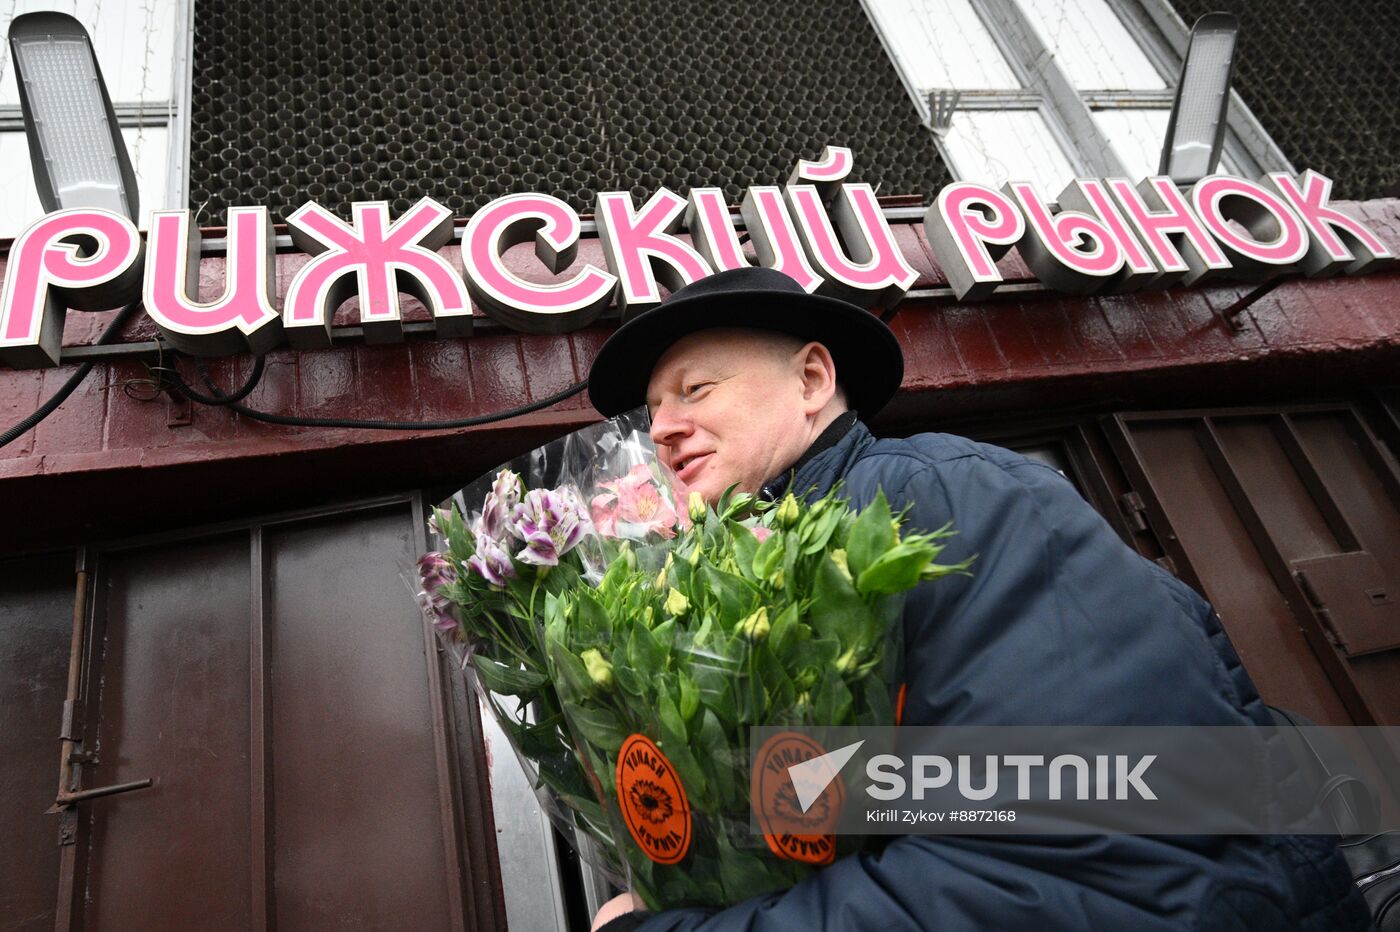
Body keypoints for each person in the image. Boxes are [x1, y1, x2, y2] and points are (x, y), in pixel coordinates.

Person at [583, 267, 1369, 931]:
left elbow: (1079, 846)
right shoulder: (720, 598)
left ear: (814, 379)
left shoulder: (936, 502)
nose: (662, 429)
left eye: (696, 389)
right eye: (652, 412)